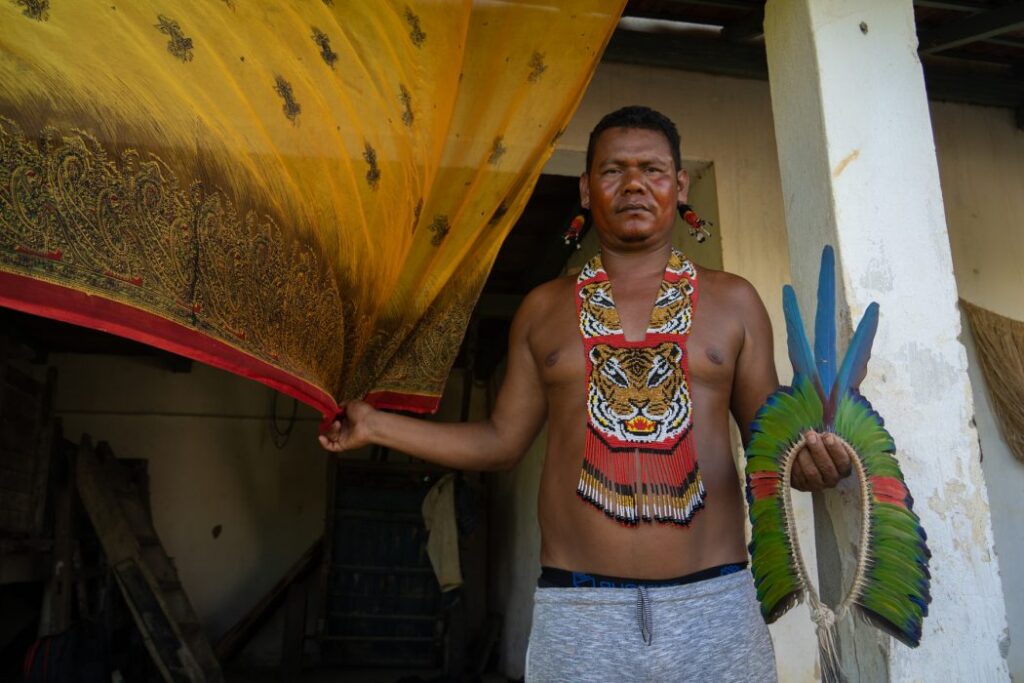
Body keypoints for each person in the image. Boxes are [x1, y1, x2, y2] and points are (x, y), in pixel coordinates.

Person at [320, 106, 851, 682]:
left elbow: (769, 444)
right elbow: (501, 441)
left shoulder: (735, 301)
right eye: (613, 170)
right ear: (584, 187)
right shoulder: (543, 308)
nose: (634, 185)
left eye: (652, 170)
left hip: (712, 607)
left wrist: (816, 460)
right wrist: (376, 425)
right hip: (578, 613)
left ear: (680, 185)